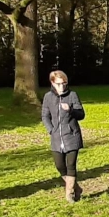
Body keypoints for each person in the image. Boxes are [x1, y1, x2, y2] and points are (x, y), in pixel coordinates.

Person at [41, 70, 87, 201]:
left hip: (72, 136)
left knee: (71, 166)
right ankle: (76, 188)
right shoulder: (48, 97)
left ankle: (69, 194)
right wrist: (51, 130)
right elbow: (45, 116)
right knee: (60, 166)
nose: (62, 86)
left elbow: (81, 115)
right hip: (56, 137)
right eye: (59, 84)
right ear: (52, 83)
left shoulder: (72, 95)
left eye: (64, 83)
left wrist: (71, 110)